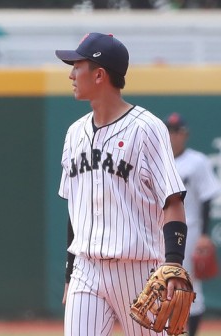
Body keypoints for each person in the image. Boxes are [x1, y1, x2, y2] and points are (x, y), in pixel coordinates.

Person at [55, 33, 190, 335]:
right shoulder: (74, 133)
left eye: (77, 66)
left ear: (99, 74)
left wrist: (174, 264)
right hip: (86, 270)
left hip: (139, 270)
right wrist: (69, 274)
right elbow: (76, 211)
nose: (71, 74)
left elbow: (173, 200)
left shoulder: (146, 128)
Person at [165, 112, 221, 336]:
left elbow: (208, 197)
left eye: (176, 131)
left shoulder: (197, 161)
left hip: (191, 230)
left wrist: (205, 235)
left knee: (190, 285)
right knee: (160, 284)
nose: (172, 136)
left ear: (184, 134)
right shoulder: (158, 160)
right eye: (169, 131)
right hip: (158, 231)